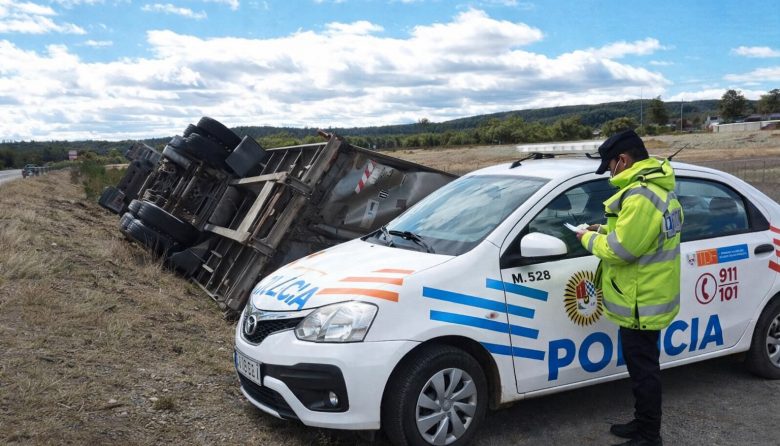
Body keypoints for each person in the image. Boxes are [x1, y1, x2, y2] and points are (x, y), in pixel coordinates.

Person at [576, 130, 683, 446]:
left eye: (609, 167)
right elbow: (640, 235)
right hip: (648, 295)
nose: (610, 173)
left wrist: (587, 238)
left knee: (644, 372)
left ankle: (649, 435)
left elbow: (621, 249)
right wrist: (604, 228)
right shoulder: (656, 190)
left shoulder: (640, 196)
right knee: (642, 369)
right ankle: (642, 424)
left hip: (641, 301)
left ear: (622, 160)